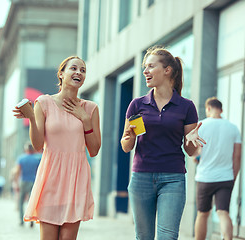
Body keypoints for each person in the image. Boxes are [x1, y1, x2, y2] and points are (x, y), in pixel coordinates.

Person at [120, 45, 206, 239]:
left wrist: (191, 141)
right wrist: (129, 137)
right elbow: (127, 147)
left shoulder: (186, 106)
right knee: (144, 236)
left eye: (151, 66)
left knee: (168, 236)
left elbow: (190, 151)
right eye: (144, 67)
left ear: (167, 70)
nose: (145, 71)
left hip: (173, 179)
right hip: (141, 177)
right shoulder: (138, 104)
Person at [13, 56, 101, 240]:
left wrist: (84, 119)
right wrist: (30, 116)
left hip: (76, 179)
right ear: (61, 74)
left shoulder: (91, 108)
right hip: (51, 177)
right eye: (74, 68)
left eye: (83, 70)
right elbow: (38, 146)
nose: (79, 72)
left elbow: (93, 150)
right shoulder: (43, 103)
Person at [194, 97, 242, 240]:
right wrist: (233, 176)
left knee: (202, 213)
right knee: (223, 212)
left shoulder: (200, 126)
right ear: (221, 110)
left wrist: (197, 159)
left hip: (205, 177)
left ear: (208, 109)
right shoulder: (233, 128)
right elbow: (237, 156)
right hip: (226, 177)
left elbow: (195, 154)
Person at [13, 142, 41, 227]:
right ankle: (31, 220)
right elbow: (39, 172)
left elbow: (17, 172)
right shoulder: (37, 159)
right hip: (33, 182)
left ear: (26, 150)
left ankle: (21, 220)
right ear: (32, 150)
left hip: (23, 182)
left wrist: (16, 183)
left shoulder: (21, 159)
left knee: (21, 201)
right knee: (31, 202)